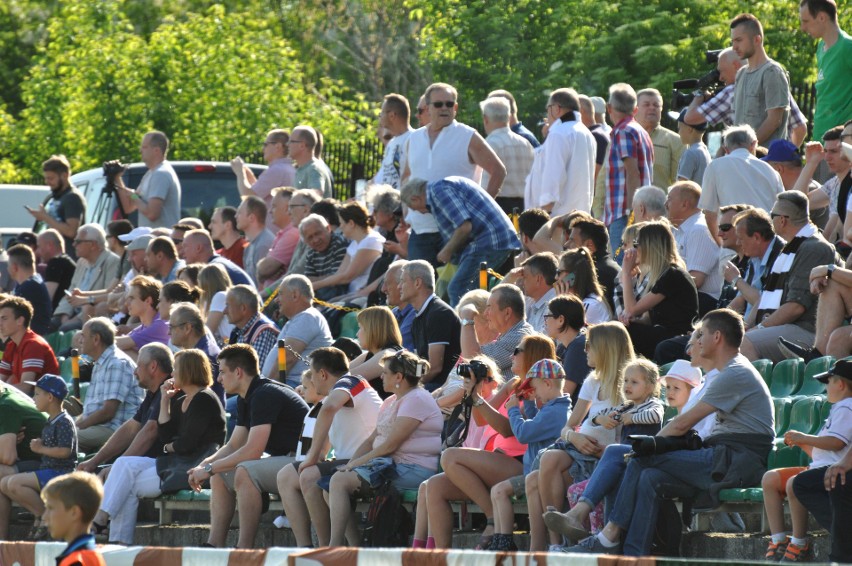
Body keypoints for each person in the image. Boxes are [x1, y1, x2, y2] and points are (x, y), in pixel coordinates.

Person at [566, 308, 774, 556]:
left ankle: (608, 535)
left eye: (700, 335)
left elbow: (682, 424)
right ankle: (632, 555)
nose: (694, 341)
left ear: (716, 337)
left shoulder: (735, 373)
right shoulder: (727, 373)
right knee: (649, 476)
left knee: (636, 457)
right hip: (723, 455)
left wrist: (649, 445)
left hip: (734, 460)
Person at [543, 358, 700, 545]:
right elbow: (592, 418)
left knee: (609, 474)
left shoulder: (653, 404)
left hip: (638, 459)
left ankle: (598, 536)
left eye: (634, 382)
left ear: (650, 387)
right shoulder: (625, 406)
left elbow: (655, 416)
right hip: (625, 460)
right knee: (575, 490)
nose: (627, 386)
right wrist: (600, 420)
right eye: (625, 381)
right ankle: (579, 536)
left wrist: (630, 418)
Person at [427, 334, 554, 549]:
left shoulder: (541, 389)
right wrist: (474, 391)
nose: (512, 355)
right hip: (497, 462)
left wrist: (478, 399)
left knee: (450, 457)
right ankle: (442, 556)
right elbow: (481, 419)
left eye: (517, 351)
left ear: (532, 355)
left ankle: (493, 518)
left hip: (521, 464)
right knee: (435, 485)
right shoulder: (514, 384)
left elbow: (507, 429)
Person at [94, 349, 225, 545]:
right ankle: (117, 543)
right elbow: (166, 436)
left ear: (189, 370)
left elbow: (186, 445)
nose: (172, 374)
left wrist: (169, 448)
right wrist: (164, 400)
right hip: (175, 462)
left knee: (126, 474)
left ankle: (102, 519)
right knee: (124, 471)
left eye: (177, 369)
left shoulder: (204, 398)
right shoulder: (182, 399)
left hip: (192, 466)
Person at [188, 344, 307, 549]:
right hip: (284, 462)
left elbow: (253, 451)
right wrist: (204, 466)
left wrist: (208, 469)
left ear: (238, 372)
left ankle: (244, 549)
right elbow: (234, 445)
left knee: (244, 470)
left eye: (223, 372)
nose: (219, 379)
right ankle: (214, 545)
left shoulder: (264, 394)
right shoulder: (247, 397)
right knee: (220, 474)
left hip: (303, 462)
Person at [530, 322, 633, 551]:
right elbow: (567, 427)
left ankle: (568, 542)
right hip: (578, 449)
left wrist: (601, 448)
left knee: (536, 476)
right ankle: (555, 543)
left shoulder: (631, 383)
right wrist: (574, 437)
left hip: (606, 458)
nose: (584, 350)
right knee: (549, 459)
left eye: (589, 345)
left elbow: (629, 435)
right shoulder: (592, 381)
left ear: (605, 348)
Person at [327, 349, 442, 546]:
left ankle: (334, 548)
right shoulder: (391, 400)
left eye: (385, 373)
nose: (381, 376)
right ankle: (355, 548)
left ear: (399, 376)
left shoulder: (416, 399)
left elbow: (390, 445)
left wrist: (352, 466)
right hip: (389, 465)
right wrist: (351, 463)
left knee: (338, 482)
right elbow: (372, 439)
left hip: (412, 469)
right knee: (328, 487)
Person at [277, 347, 382, 547]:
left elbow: (329, 410)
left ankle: (326, 548)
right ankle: (306, 547)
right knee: (286, 476)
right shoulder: (334, 394)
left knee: (308, 474)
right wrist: (319, 455)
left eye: (313, 375)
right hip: (349, 460)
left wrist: (311, 457)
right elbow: (328, 423)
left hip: (370, 461)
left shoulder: (351, 382)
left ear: (323, 374)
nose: (312, 381)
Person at [402, 83, 507, 266]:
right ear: (427, 108)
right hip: (420, 230)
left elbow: (498, 171)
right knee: (417, 289)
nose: (444, 108)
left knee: (450, 291)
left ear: (456, 108)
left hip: (455, 232)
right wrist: (406, 213)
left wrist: (479, 212)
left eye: (449, 104)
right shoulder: (414, 138)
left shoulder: (466, 135)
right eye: (438, 104)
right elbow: (407, 176)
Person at [762, 358, 852, 561]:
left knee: (796, 483)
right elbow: (824, 453)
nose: (825, 387)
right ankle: (779, 539)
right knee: (772, 478)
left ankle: (800, 541)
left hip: (834, 471)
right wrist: (803, 443)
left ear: (841, 384)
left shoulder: (847, 406)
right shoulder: (840, 408)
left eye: (828, 382)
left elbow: (836, 443)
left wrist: (804, 437)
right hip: (824, 467)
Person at [412, 356, 503, 549]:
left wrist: (474, 396)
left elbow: (483, 444)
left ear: (494, 383)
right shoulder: (470, 405)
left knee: (448, 457)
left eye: (480, 378)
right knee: (429, 487)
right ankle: (427, 551)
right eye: (469, 379)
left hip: (492, 470)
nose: (473, 383)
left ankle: (493, 518)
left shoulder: (496, 403)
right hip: (474, 473)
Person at [482, 358, 572, 551]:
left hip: (541, 475)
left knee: (499, 491)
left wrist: (513, 410)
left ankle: (505, 543)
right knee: (497, 491)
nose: (535, 392)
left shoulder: (556, 412)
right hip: (533, 472)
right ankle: (502, 539)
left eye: (535, 387)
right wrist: (529, 403)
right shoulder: (551, 407)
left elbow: (523, 434)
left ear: (547, 383)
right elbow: (533, 423)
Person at [740, 191, 837, 362]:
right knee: (727, 342)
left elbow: (796, 307)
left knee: (744, 343)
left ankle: (756, 389)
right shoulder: (791, 249)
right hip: (788, 327)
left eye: (772, 216)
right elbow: (765, 298)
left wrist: (760, 328)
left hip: (807, 331)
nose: (771, 220)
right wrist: (746, 326)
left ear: (782, 220)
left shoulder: (814, 248)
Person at [400, 176, 521, 305]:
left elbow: (464, 226)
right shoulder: (442, 188)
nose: (421, 213)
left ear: (415, 199)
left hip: (490, 241)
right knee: (469, 289)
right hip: (492, 239)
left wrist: (447, 251)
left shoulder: (438, 191)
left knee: (458, 288)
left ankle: (464, 324)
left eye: (415, 209)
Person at [76, 343, 173, 475]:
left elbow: (150, 431)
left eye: (138, 366)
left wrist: (116, 467)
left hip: (162, 466)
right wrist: (94, 461)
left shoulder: (168, 390)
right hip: (147, 465)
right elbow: (130, 428)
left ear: (153, 366)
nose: (135, 372)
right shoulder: (153, 392)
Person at [0, 374, 75, 540]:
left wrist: (41, 448)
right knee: (5, 483)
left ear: (50, 397)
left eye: (37, 394)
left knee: (8, 480)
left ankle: (46, 517)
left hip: (57, 469)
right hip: (44, 467)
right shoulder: (51, 420)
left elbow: (65, 452)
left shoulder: (63, 421)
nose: (32, 398)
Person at [619, 221, 699, 359]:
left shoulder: (672, 274)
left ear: (650, 247)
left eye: (637, 245)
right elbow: (646, 319)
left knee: (622, 333)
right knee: (618, 328)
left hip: (677, 338)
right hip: (663, 333)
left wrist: (626, 273)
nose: (634, 249)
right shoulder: (659, 274)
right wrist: (631, 320)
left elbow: (631, 309)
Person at [699, 124, 785, 236]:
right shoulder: (770, 170)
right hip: (766, 239)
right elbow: (782, 208)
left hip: (733, 236)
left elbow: (710, 213)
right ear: (754, 144)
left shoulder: (714, 166)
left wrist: (720, 244)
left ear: (726, 149)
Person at [603, 83, 654, 259]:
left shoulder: (623, 131)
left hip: (624, 213)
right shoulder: (640, 130)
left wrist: (631, 212)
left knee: (623, 266)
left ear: (609, 108)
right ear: (635, 109)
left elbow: (632, 173)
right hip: (637, 210)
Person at [525, 88, 596, 216]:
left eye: (548, 109)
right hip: (580, 215)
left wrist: (544, 214)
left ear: (557, 109)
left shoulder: (559, 133)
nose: (547, 115)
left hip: (558, 219)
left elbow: (553, 178)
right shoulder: (586, 133)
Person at [260, 275, 332, 387]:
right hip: (286, 385)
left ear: (295, 295)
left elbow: (287, 358)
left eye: (280, 294)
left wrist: (265, 388)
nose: (276, 300)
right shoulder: (300, 318)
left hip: (293, 386)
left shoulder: (307, 317)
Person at [729, 13, 791, 144]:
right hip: (743, 159)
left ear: (757, 40)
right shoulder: (741, 74)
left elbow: (774, 121)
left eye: (739, 40)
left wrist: (747, 148)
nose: (734, 47)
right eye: (733, 41)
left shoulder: (772, 72)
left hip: (767, 160)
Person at [400, 260, 462, 389]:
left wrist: (409, 387)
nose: (399, 286)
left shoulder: (439, 313)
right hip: (434, 385)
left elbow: (434, 368)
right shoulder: (418, 317)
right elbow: (420, 364)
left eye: (403, 281)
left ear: (417, 283)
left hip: (447, 387)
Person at [798, 0, 852, 145]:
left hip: (842, 143)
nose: (803, 28)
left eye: (806, 21)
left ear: (822, 17)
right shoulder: (821, 47)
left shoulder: (848, 47)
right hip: (821, 139)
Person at [666, 181, 723, 314]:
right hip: (688, 297)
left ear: (684, 204)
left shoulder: (698, 230)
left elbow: (696, 280)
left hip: (704, 302)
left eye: (669, 199)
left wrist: (660, 292)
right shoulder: (679, 229)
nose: (665, 205)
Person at [52, 224, 121, 332]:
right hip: (72, 312)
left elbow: (108, 297)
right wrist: (64, 315)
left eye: (78, 241)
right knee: (47, 326)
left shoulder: (112, 261)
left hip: (89, 316)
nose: (74, 244)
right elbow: (71, 291)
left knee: (64, 330)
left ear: (93, 245)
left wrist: (73, 319)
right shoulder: (81, 262)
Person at [460, 283, 533, 380]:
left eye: (489, 307)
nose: (486, 313)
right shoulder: (512, 333)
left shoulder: (520, 337)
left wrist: (467, 319)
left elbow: (472, 360)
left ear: (507, 313)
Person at [312, 202, 384, 297]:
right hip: (351, 293)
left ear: (351, 223)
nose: (340, 227)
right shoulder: (354, 243)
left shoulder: (371, 241)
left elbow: (347, 277)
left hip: (362, 295)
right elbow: (339, 274)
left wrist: (314, 286)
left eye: (342, 223)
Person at [114, 131, 182, 229]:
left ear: (157, 150)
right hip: (152, 240)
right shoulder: (150, 174)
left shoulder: (161, 174)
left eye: (145, 147)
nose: (140, 150)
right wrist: (117, 178)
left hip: (161, 241)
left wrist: (133, 196)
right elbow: (128, 207)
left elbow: (152, 214)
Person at [479, 96, 534, 214]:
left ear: (486, 119)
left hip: (499, 205)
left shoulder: (489, 143)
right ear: (508, 117)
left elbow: (484, 181)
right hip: (525, 205)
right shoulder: (525, 143)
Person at [40, 472, 107, 566]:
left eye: (50, 508)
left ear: (74, 513)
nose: (44, 517)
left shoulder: (78, 561)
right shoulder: (89, 554)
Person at [27, 155, 86, 258]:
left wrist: (45, 217)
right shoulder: (56, 197)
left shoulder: (72, 197)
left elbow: (71, 231)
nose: (47, 182)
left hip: (68, 257)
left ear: (64, 175)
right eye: (46, 178)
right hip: (54, 257)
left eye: (51, 178)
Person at [230, 128, 296, 219]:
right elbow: (259, 193)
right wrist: (247, 175)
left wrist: (240, 173)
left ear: (278, 146)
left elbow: (248, 198)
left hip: (273, 230)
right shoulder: (288, 168)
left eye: (265, 144)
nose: (263, 148)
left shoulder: (277, 170)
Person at [0, 296, 59, 396]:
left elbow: (25, 388)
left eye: (4, 319)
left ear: (20, 320)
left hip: (43, 404)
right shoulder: (11, 346)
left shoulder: (33, 345)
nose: (0, 323)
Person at [544, 294, 590, 406]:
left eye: (547, 316)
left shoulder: (579, 346)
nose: (545, 321)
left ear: (560, 320)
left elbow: (564, 394)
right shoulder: (563, 348)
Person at [565, 219, 620, 311]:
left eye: (572, 240)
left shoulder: (595, 271)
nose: (566, 244)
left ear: (589, 245)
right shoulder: (606, 266)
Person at [348, 306, 402, 397]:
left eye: (360, 328)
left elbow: (347, 379)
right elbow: (341, 372)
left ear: (372, 330)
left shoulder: (389, 354)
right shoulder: (371, 354)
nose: (357, 334)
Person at [636, 88, 684, 189]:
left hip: (660, 202)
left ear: (661, 109)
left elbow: (680, 182)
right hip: (627, 202)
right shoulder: (623, 138)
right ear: (636, 109)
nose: (652, 108)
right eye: (646, 104)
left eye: (656, 105)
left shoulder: (676, 141)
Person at [114, 275, 169, 361]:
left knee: (123, 350)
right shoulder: (146, 325)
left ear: (148, 301)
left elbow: (114, 344)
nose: (126, 303)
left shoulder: (159, 325)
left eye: (132, 298)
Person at [503, 252, 558, 333]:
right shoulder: (531, 299)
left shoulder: (554, 305)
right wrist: (510, 278)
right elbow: (496, 305)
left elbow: (540, 342)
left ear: (538, 279)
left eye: (525, 277)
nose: (522, 282)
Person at [225, 284, 279, 365]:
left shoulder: (263, 331)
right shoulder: (238, 331)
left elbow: (256, 373)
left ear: (243, 308)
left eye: (227, 306)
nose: (224, 311)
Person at [300, 213, 349, 301]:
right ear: (306, 241)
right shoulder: (311, 253)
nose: (315, 240)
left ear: (328, 228)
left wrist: (317, 281)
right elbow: (308, 281)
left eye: (318, 233)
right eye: (310, 237)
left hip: (340, 296)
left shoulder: (339, 243)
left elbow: (337, 279)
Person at [556, 247, 612, 324]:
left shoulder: (590, 305)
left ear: (573, 276)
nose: (555, 277)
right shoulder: (584, 302)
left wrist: (562, 303)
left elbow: (566, 331)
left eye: (559, 272)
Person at [257, 188, 300, 288]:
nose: (270, 211)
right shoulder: (284, 233)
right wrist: (264, 272)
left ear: (287, 208)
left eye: (274, 206)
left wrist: (264, 272)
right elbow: (263, 271)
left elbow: (264, 270)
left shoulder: (292, 234)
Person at [7, 245, 52, 336]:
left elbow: (11, 317)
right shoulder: (31, 283)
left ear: (14, 267)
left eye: (8, 265)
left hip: (31, 340)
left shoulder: (30, 287)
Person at [181, 229, 252, 287]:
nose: (181, 252)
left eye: (185, 246)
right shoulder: (218, 264)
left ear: (198, 248)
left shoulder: (214, 270)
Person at [375, 93, 415, 189]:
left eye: (381, 114)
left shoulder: (414, 138)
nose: (380, 118)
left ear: (392, 116)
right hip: (386, 202)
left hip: (403, 202)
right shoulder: (391, 144)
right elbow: (381, 178)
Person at [236, 196, 275, 286]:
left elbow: (262, 285)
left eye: (239, 213)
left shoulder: (264, 245)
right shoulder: (250, 245)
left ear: (251, 218)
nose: (235, 216)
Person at [36, 229, 76, 310]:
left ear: (49, 245)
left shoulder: (56, 263)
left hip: (58, 314)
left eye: (39, 246)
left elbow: (46, 297)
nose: (37, 251)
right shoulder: (68, 262)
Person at [290, 125, 334, 198]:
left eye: (291, 141)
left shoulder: (314, 169)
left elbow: (316, 195)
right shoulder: (302, 168)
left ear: (302, 145)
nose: (287, 144)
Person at [675, 108, 711, 185]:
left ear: (689, 129)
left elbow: (681, 185)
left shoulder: (690, 153)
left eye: (679, 128)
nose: (678, 132)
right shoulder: (704, 151)